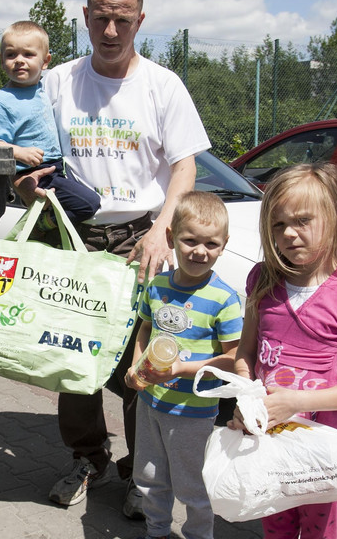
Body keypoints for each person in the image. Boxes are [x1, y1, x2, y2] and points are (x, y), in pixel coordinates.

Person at [15, 0, 211, 516]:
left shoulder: (162, 84)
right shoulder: (57, 82)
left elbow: (185, 167)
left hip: (138, 236)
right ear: (85, 16)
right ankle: (88, 458)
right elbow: (27, 150)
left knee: (136, 358)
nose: (109, 31)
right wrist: (25, 185)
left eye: (121, 20)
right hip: (71, 234)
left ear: (140, 20)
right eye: (100, 18)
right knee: (72, 351)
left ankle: (139, 472)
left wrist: (162, 230)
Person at [230, 163, 337, 539]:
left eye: (302, 221)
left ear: (332, 219)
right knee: (275, 529)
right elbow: (244, 354)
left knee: (317, 532)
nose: (289, 234)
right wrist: (246, 397)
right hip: (267, 442)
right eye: (279, 224)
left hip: (320, 448)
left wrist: (294, 400)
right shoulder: (262, 279)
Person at [122, 190, 242, 539]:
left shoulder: (223, 298)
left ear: (224, 244)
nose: (200, 251)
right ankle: (156, 532)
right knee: (149, 477)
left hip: (193, 412)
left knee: (192, 487)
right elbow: (144, 328)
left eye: (212, 244)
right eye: (190, 240)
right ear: (172, 238)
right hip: (150, 403)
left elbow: (234, 359)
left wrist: (180, 370)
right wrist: (135, 369)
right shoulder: (158, 286)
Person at [0, 20, 100, 225]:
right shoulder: (2, 101)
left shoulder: (42, 91)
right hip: (35, 172)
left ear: (45, 61)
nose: (19, 60)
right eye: (11, 55)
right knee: (89, 204)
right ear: (2, 61)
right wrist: (19, 152)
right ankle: (43, 224)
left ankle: (46, 223)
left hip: (55, 169)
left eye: (28, 54)